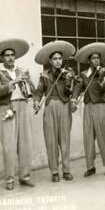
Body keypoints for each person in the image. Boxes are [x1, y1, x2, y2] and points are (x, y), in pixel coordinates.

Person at [0, 38, 36, 190]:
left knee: (25, 144)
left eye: (12, 55)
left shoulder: (23, 71)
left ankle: (25, 177)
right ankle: (9, 180)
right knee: (9, 145)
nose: (10, 57)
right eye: (7, 55)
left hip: (23, 105)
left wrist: (27, 82)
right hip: (7, 107)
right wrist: (13, 82)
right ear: (2, 58)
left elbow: (32, 90)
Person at [34, 40, 77, 182]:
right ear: (50, 61)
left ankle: (66, 170)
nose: (58, 62)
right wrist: (36, 102)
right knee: (51, 140)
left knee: (64, 139)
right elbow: (39, 91)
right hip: (50, 105)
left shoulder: (69, 73)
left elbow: (69, 92)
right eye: (55, 59)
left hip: (64, 106)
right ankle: (54, 171)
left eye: (60, 59)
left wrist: (68, 81)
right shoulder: (45, 75)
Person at [72, 42, 105, 177]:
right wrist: (74, 99)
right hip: (88, 107)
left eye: (98, 58)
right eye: (93, 58)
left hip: (100, 107)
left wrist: (101, 77)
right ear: (89, 60)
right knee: (88, 137)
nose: (96, 60)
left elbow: (104, 88)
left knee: (103, 136)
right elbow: (78, 87)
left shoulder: (104, 72)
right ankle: (90, 166)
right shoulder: (84, 74)